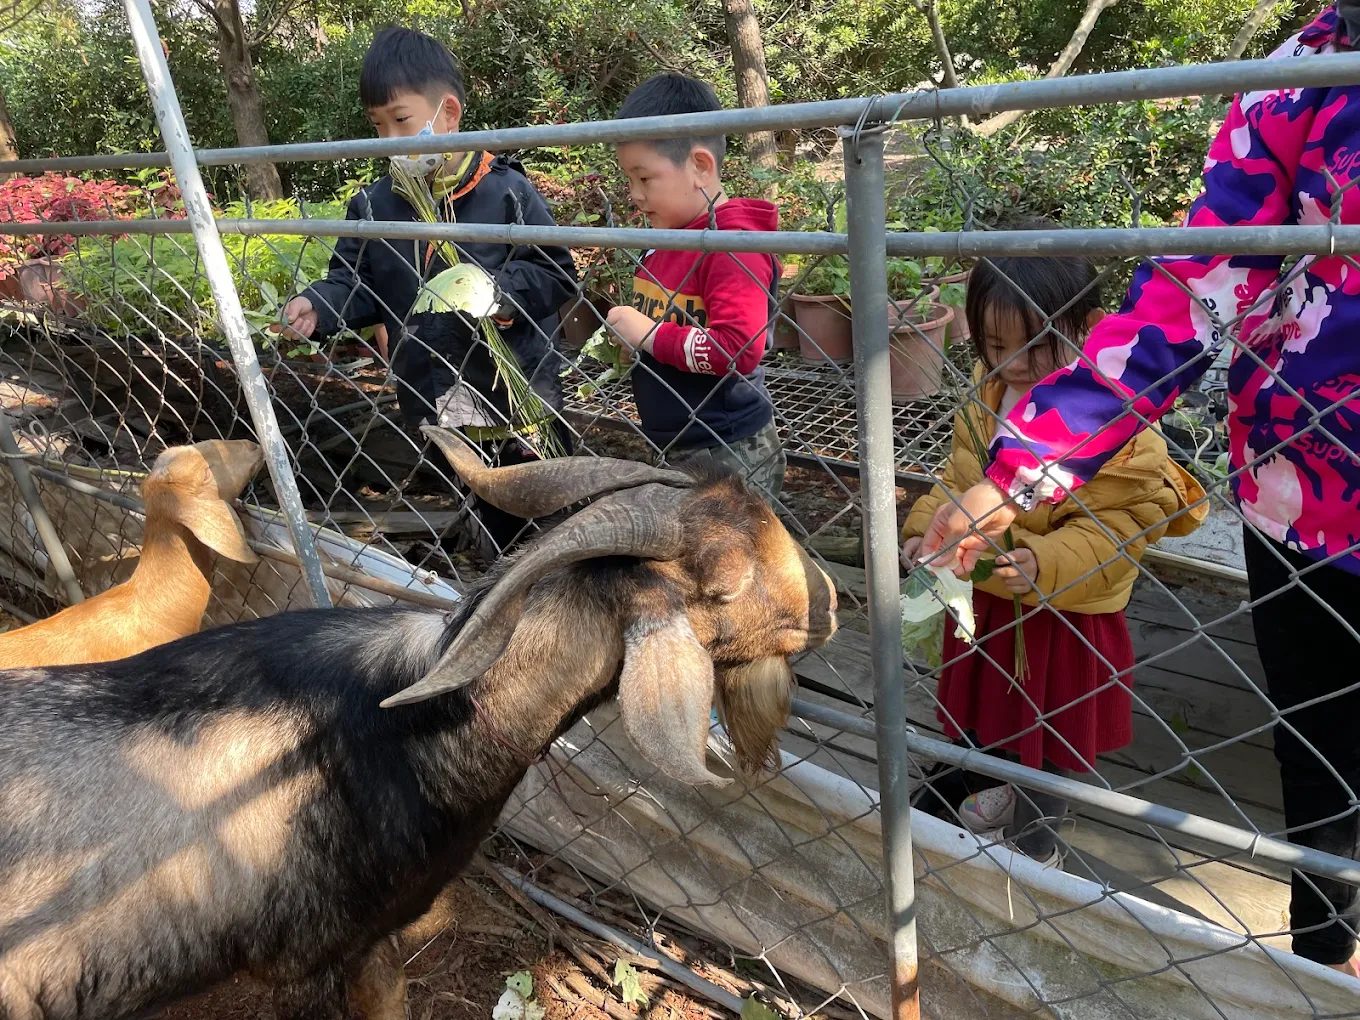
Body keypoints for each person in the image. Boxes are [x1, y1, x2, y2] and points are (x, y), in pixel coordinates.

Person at [919, 4, 1360, 974]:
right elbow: (1198, 281)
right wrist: (1014, 471)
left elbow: (1137, 510)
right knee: (1321, 774)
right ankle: (1323, 970)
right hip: (1308, 502)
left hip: (1078, 608)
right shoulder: (1313, 64)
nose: (1012, 370)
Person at [900, 244, 1205, 866]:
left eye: (1037, 345)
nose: (1014, 363)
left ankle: (1037, 839)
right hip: (989, 602)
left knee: (1051, 735)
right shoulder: (987, 403)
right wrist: (927, 527)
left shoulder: (1118, 422)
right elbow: (957, 480)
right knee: (983, 711)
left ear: (1089, 330)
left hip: (1068, 616)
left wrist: (1044, 563)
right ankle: (985, 777)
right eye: (993, 343)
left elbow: (1122, 526)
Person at [276, 26, 578, 555]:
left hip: (515, 397)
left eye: (402, 121)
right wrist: (320, 305)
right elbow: (355, 280)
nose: (390, 139)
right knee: (474, 502)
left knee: (535, 512)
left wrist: (500, 295)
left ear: (449, 115)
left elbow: (555, 272)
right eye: (377, 125)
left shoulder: (505, 192)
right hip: (431, 394)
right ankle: (486, 559)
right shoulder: (374, 206)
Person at [604, 73, 786, 500]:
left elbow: (739, 348)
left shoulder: (730, 244)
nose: (633, 194)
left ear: (700, 167)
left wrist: (649, 334)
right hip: (681, 439)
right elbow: (672, 321)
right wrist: (640, 342)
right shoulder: (669, 237)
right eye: (629, 179)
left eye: (645, 179)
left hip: (729, 445)